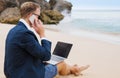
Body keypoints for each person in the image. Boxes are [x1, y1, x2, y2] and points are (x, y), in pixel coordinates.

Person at [4, 2, 89, 78]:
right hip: (27, 75)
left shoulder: (15, 30)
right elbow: (46, 55)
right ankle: (75, 69)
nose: (38, 19)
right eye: (38, 16)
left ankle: (74, 68)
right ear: (31, 16)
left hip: (14, 72)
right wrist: (42, 34)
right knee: (61, 63)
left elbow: (31, 52)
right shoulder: (24, 34)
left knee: (51, 62)